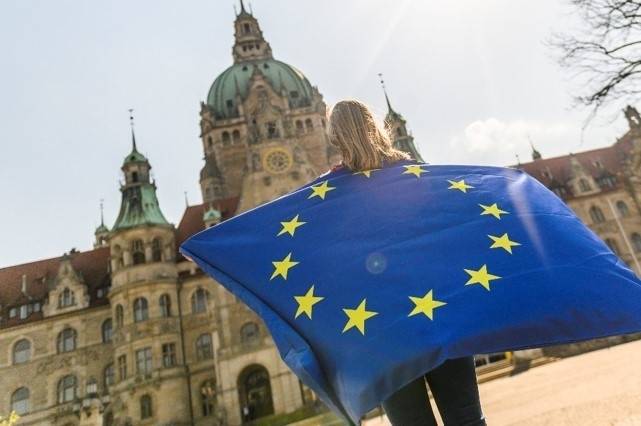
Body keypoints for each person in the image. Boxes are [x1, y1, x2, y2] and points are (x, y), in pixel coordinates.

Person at [326, 99, 487, 426]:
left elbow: (330, 266)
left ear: (336, 139)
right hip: (441, 312)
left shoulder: (328, 196)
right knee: (467, 418)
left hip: (381, 330)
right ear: (377, 128)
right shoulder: (416, 174)